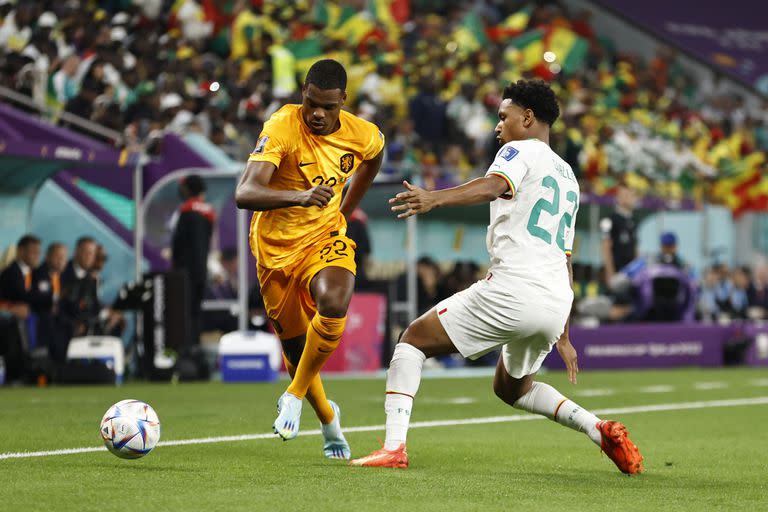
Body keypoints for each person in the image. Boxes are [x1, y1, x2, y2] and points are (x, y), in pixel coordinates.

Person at [350, 79, 643, 474]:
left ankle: (393, 447)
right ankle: (599, 429)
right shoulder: (568, 176)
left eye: (503, 116)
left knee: (413, 341)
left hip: (514, 288)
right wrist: (566, 335)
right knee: (511, 389)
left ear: (528, 117)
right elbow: (566, 256)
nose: (497, 126)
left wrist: (434, 197)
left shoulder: (518, 151)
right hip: (555, 302)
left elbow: (493, 185)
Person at [235, 59, 384, 459]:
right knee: (298, 349)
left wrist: (346, 211)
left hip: (323, 238)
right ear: (303, 92)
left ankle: (294, 394)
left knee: (335, 300)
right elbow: (245, 193)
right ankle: (329, 420)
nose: (318, 114)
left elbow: (375, 156)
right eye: (312, 103)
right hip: (274, 250)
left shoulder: (362, 133)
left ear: (343, 101)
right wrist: (299, 196)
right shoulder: (282, 126)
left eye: (328, 107)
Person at [171, 174, 215, 347]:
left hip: (185, 272)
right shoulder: (208, 212)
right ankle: (195, 351)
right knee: (196, 312)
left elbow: (180, 244)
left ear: (188, 189)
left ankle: (187, 353)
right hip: (201, 270)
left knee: (185, 314)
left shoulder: (187, 211)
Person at [31, 242, 68, 361]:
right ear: (47, 257)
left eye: (63, 257)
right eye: (57, 256)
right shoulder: (38, 274)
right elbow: (38, 299)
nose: (61, 260)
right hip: (41, 316)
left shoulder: (64, 277)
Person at [600, 183, 638, 282]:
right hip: (617, 270)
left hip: (631, 271)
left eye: (631, 195)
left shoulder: (633, 219)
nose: (631, 198)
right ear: (619, 198)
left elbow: (635, 246)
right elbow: (606, 247)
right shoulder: (609, 219)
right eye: (627, 195)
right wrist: (610, 272)